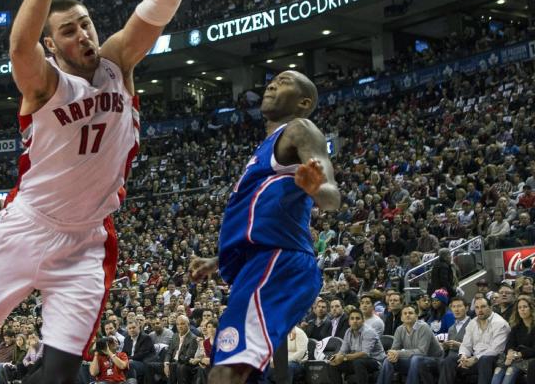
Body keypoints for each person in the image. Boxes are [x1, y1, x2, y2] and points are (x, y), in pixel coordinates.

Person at [0, 0, 183, 384]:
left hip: (86, 240)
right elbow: (18, 48)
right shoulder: (43, 84)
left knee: (61, 375)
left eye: (85, 22)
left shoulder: (119, 61)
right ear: (52, 45)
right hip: (26, 226)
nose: (83, 32)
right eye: (68, 29)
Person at [189, 69, 340, 384]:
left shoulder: (300, 129)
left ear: (304, 102)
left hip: (279, 262)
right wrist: (218, 261)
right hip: (261, 261)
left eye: (284, 81)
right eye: (272, 80)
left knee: (225, 371)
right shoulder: (265, 148)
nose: (272, 84)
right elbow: (259, 218)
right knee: (242, 372)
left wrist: (315, 188)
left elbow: (332, 196)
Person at [436, 296, 509, 384]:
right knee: (450, 360)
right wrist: (463, 356)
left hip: (494, 359)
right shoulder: (472, 323)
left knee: (485, 359)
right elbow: (466, 344)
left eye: (483, 307)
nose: (480, 310)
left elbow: (496, 349)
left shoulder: (500, 323)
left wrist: (475, 359)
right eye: (477, 308)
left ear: (490, 307)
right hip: (474, 358)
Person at [376, 305, 442, 384]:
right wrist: (392, 354)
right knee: (388, 360)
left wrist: (398, 353)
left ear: (416, 316)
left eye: (410, 313)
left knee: (416, 358)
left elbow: (422, 352)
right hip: (413, 360)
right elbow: (395, 349)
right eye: (405, 313)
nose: (407, 315)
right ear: (401, 318)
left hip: (434, 360)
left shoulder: (424, 327)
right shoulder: (400, 329)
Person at [330, 310, 385, 384]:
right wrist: (337, 357)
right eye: (352, 319)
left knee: (358, 362)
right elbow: (343, 350)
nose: (354, 321)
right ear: (349, 321)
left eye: (357, 318)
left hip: (376, 361)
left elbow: (365, 354)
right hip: (357, 361)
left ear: (363, 320)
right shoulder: (348, 332)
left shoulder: (368, 332)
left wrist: (343, 357)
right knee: (334, 363)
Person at [491, 295, 535, 384]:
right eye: (520, 308)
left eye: (525, 307)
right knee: (498, 370)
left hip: (528, 359)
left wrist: (518, 354)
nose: (522, 309)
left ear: (531, 308)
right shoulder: (516, 327)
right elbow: (510, 343)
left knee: (510, 371)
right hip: (514, 357)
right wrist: (510, 353)